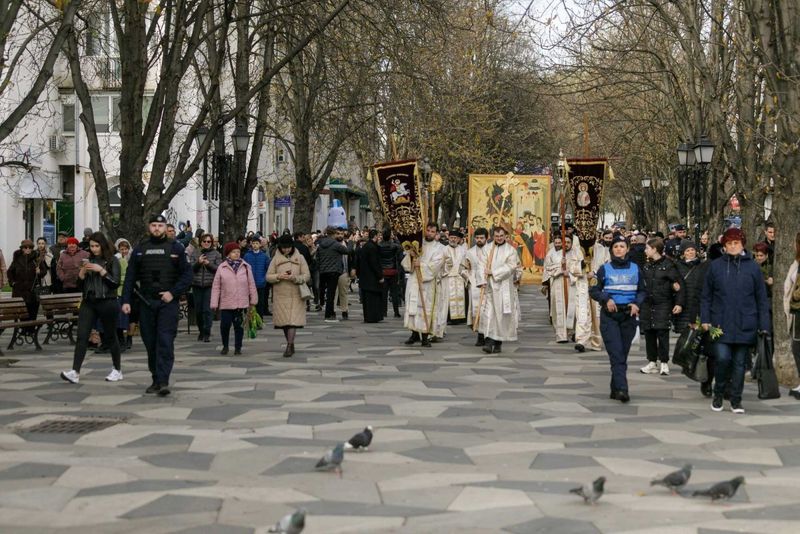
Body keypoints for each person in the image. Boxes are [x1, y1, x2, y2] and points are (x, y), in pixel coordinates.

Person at [701, 227, 770, 414]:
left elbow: (761, 299)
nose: (733, 246)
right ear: (724, 246)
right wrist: (705, 319)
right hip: (719, 323)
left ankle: (736, 400)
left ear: (742, 245)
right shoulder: (715, 266)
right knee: (722, 359)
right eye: (729, 243)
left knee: (740, 364)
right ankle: (718, 394)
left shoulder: (753, 267)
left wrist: (764, 325)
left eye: (736, 243)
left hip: (746, 323)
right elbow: (706, 296)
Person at [122, 214, 193, 397]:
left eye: (160, 225)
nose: (156, 228)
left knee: (165, 341)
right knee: (150, 342)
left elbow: (187, 276)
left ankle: (163, 381)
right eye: (153, 225)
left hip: (167, 303)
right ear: (149, 227)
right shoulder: (140, 249)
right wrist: (126, 301)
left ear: (165, 227)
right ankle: (155, 377)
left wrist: (173, 293)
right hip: (146, 302)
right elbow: (130, 277)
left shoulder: (176, 248)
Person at [59, 232, 123, 384]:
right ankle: (75, 371)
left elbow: (115, 283)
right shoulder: (88, 260)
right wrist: (82, 272)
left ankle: (117, 369)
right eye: (92, 246)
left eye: (97, 246)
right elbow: (79, 285)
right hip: (89, 301)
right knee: (82, 336)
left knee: (110, 336)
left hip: (107, 301)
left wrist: (101, 271)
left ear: (103, 245)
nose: (94, 249)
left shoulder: (112, 260)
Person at [589, 235, 647, 403]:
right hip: (610, 317)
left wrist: (637, 303)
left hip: (628, 316)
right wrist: (606, 299)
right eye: (616, 247)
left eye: (622, 246)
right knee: (617, 354)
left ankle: (615, 388)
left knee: (622, 354)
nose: (619, 249)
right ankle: (622, 389)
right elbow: (594, 290)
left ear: (627, 249)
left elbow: (642, 291)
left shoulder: (636, 268)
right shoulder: (604, 269)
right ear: (611, 250)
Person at [639, 237, 684, 376]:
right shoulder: (646, 265)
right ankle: (652, 361)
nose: (645, 251)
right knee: (649, 333)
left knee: (662, 332)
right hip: (647, 304)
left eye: (647, 248)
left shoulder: (669, 265)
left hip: (663, 303)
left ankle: (664, 362)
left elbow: (678, 285)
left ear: (654, 249)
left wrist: (679, 303)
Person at [475, 226, 522, 353]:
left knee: (500, 315)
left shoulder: (511, 250)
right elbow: (480, 265)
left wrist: (494, 272)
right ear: (493, 236)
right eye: (497, 236)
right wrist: (482, 280)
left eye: (501, 236)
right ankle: (489, 341)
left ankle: (498, 342)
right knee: (489, 313)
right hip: (490, 287)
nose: (499, 238)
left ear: (505, 236)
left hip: (504, 287)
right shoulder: (487, 249)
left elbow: (511, 266)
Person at [674, 240, 712, 396]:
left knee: (700, 340)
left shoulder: (703, 266)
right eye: (687, 250)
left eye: (692, 250)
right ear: (683, 253)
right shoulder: (677, 266)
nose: (690, 252)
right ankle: (687, 361)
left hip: (698, 305)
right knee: (689, 337)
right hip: (684, 305)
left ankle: (695, 365)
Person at [402, 223, 447, 347]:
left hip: (428, 284)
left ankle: (425, 336)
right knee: (413, 307)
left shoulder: (440, 248)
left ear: (436, 233)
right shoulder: (416, 244)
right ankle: (414, 333)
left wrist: (420, 266)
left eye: (433, 231)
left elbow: (436, 266)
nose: (429, 233)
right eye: (428, 230)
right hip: (413, 280)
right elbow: (406, 263)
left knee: (425, 309)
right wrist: (411, 257)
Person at [266, 234, 310, 357]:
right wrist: (278, 276)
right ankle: (290, 342)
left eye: (288, 247)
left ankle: (289, 345)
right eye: (284, 248)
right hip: (281, 295)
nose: (286, 250)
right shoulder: (275, 259)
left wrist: (295, 278)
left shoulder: (300, 258)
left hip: (296, 294)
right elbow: (268, 276)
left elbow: (307, 275)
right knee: (284, 323)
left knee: (292, 321)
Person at [211, 242, 258, 355]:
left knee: (239, 327)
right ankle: (225, 346)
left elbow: (251, 284)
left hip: (241, 303)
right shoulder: (222, 267)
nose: (236, 254)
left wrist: (253, 300)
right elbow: (216, 286)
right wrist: (214, 303)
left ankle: (238, 347)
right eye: (233, 252)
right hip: (226, 302)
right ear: (228, 254)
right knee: (225, 326)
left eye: (238, 252)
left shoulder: (246, 267)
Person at [188, 234, 222, 342]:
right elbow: (191, 269)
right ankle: (201, 331)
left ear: (212, 243)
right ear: (200, 242)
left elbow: (218, 269)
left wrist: (208, 264)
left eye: (208, 241)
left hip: (210, 285)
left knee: (207, 310)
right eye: (204, 241)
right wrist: (198, 262)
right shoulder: (195, 253)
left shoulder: (216, 254)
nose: (206, 243)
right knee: (198, 310)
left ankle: (207, 332)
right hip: (197, 284)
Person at [461, 227, 490, 346]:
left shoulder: (492, 251)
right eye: (477, 238)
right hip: (474, 285)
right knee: (476, 310)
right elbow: (462, 269)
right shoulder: (469, 252)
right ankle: (480, 335)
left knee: (487, 311)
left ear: (486, 238)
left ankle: (489, 335)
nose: (479, 240)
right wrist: (468, 276)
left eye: (481, 238)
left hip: (489, 284)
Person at [7, 240, 46, 323]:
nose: (28, 249)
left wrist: (40, 272)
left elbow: (44, 271)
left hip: (33, 291)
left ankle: (31, 331)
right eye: (25, 247)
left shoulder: (36, 258)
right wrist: (12, 283)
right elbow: (10, 272)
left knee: (32, 312)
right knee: (22, 312)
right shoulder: (17, 259)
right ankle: (24, 330)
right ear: (22, 248)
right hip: (20, 291)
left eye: (30, 247)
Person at [316, 227, 348, 322]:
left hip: (323, 271)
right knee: (331, 293)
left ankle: (324, 306)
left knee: (324, 291)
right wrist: (349, 243)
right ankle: (329, 314)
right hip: (334, 271)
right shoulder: (335, 244)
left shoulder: (321, 244)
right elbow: (347, 251)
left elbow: (317, 258)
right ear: (333, 234)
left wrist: (320, 268)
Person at [588, 230, 613, 351]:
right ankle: (582, 339)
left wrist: (595, 272)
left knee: (597, 312)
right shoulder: (577, 249)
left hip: (598, 283)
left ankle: (597, 339)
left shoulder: (602, 250)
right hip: (581, 283)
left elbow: (606, 265)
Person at [783, 231, 800, 399]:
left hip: (798, 309)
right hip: (796, 312)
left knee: (797, 347)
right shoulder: (796, 262)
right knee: (796, 347)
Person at [356, 229, 384, 323]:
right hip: (372, 278)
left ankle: (368, 316)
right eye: (378, 236)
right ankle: (373, 317)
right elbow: (374, 263)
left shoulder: (366, 246)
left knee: (367, 300)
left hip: (365, 277)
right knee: (373, 299)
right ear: (375, 236)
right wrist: (380, 276)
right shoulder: (372, 247)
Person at [443, 230, 468, 325]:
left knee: (461, 297)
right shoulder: (444, 249)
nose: (453, 239)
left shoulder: (463, 250)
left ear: (458, 239)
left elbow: (466, 263)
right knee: (449, 297)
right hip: (448, 277)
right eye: (451, 237)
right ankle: (449, 318)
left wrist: (464, 273)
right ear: (448, 238)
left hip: (459, 277)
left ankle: (461, 318)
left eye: (455, 238)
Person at [244, 237, 271, 319]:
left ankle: (259, 320)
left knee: (260, 303)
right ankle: (250, 320)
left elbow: (268, 268)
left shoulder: (264, 256)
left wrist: (264, 279)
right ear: (251, 244)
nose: (255, 245)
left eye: (257, 243)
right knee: (250, 303)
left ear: (260, 245)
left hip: (261, 283)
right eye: (253, 243)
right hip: (249, 283)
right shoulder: (247, 255)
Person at [378, 229, 403, 318]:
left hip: (383, 271)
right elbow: (401, 247)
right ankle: (396, 312)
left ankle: (384, 311)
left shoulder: (379, 245)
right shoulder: (394, 246)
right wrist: (395, 238)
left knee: (384, 294)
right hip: (393, 271)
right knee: (394, 293)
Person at [335, 229, 356, 320]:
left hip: (344, 271)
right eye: (338, 234)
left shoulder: (347, 244)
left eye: (341, 234)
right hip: (334, 271)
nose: (340, 235)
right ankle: (333, 311)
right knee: (334, 293)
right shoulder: (333, 245)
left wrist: (352, 269)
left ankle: (344, 310)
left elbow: (352, 257)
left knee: (344, 292)